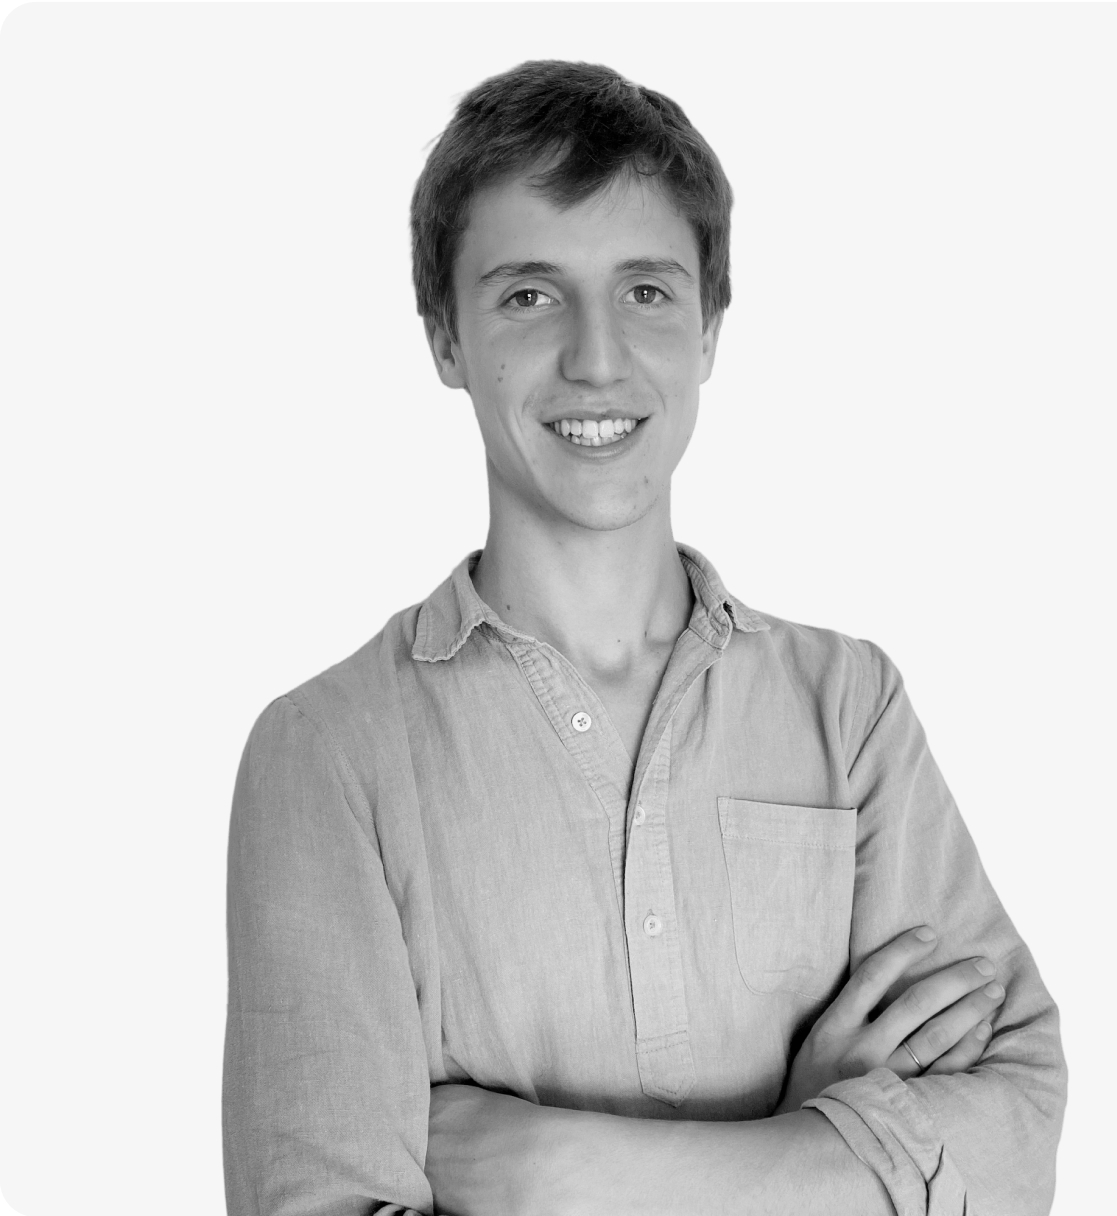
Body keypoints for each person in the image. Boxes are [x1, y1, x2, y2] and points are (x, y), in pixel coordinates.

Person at [222, 60, 1066, 1216]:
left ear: (709, 329)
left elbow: (1013, 1147)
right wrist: (808, 1153)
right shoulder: (327, 754)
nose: (597, 357)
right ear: (445, 338)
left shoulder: (850, 707)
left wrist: (557, 1172)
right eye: (530, 295)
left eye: (647, 292)